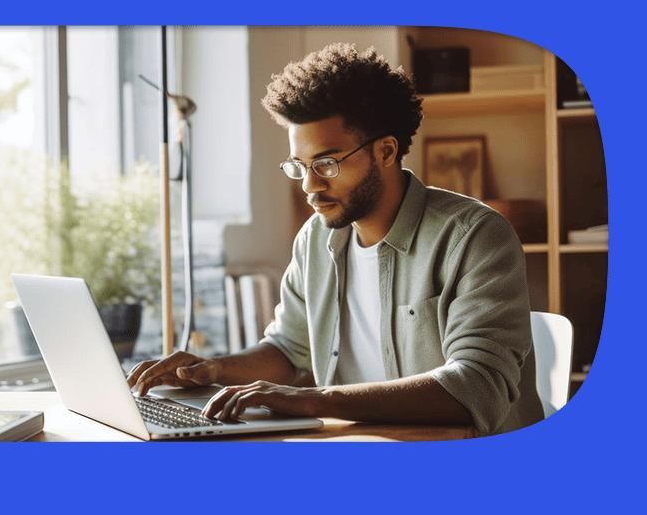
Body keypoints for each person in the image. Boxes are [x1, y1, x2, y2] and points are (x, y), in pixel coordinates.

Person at [127, 43, 544, 436]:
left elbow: (476, 384)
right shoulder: (315, 240)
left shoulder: (474, 237)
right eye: (299, 165)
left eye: (326, 163)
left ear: (384, 151)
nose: (309, 185)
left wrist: (314, 401)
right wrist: (214, 369)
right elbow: (290, 351)